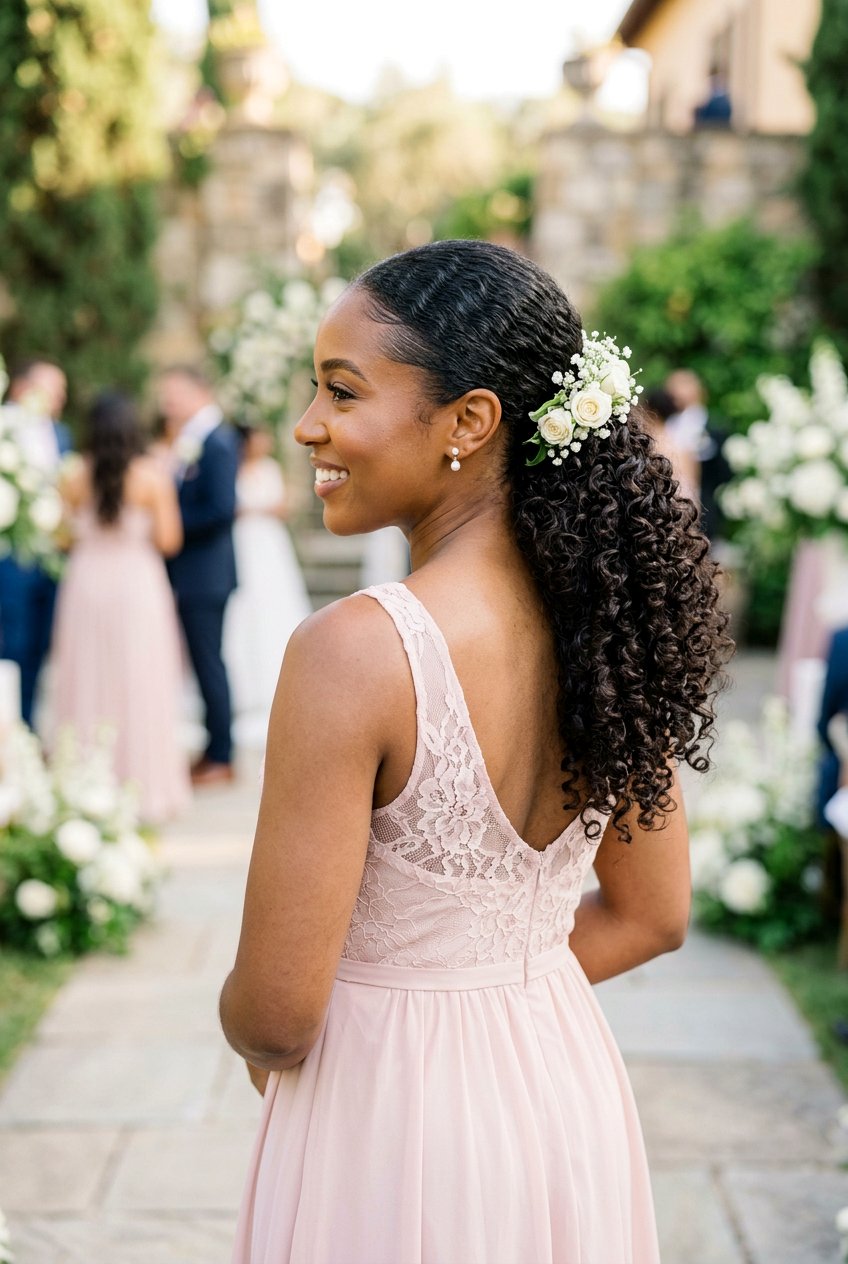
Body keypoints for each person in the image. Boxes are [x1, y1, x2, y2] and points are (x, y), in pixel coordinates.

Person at [220, 240, 732, 1264]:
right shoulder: (605, 623)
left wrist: (294, 1018)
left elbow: (276, 1015)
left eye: (340, 390)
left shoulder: (350, 653)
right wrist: (492, 995)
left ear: (468, 421)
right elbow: (652, 914)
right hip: (556, 1089)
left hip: (388, 1122)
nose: (305, 425)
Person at [52, 391, 190, 825]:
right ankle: (143, 787)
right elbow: (169, 541)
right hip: (136, 586)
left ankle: (86, 787)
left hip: (87, 586)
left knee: (86, 679)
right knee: (141, 680)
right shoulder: (151, 476)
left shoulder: (73, 475)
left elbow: (60, 538)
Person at [156, 366, 239, 786]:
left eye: (173, 394)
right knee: (203, 662)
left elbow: (222, 509)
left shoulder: (217, 442)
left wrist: (168, 523)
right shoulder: (194, 439)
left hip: (205, 575)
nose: (166, 403)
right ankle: (212, 749)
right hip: (191, 574)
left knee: (209, 662)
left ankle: (222, 756)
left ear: (198, 391)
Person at [223, 425, 312, 748]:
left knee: (274, 604)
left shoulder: (271, 468)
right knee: (245, 608)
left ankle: (275, 682)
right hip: (243, 543)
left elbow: (285, 505)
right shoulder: (232, 468)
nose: (265, 441)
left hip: (268, 544)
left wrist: (261, 509)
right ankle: (246, 687)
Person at [0, 359, 71, 727]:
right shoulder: (4, 428)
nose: (59, 398)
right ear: (22, 389)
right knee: (12, 644)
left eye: (61, 392)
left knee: (40, 648)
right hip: (9, 559)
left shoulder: (61, 435)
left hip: (51, 558)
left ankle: (25, 727)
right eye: (52, 390)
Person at [665, 368, 731, 543]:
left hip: (705, 513)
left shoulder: (716, 429)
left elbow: (724, 473)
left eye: (684, 385)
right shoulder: (663, 427)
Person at [642, 385, 700, 504]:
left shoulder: (647, 443)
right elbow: (692, 485)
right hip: (682, 507)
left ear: (648, 410)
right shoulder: (681, 443)